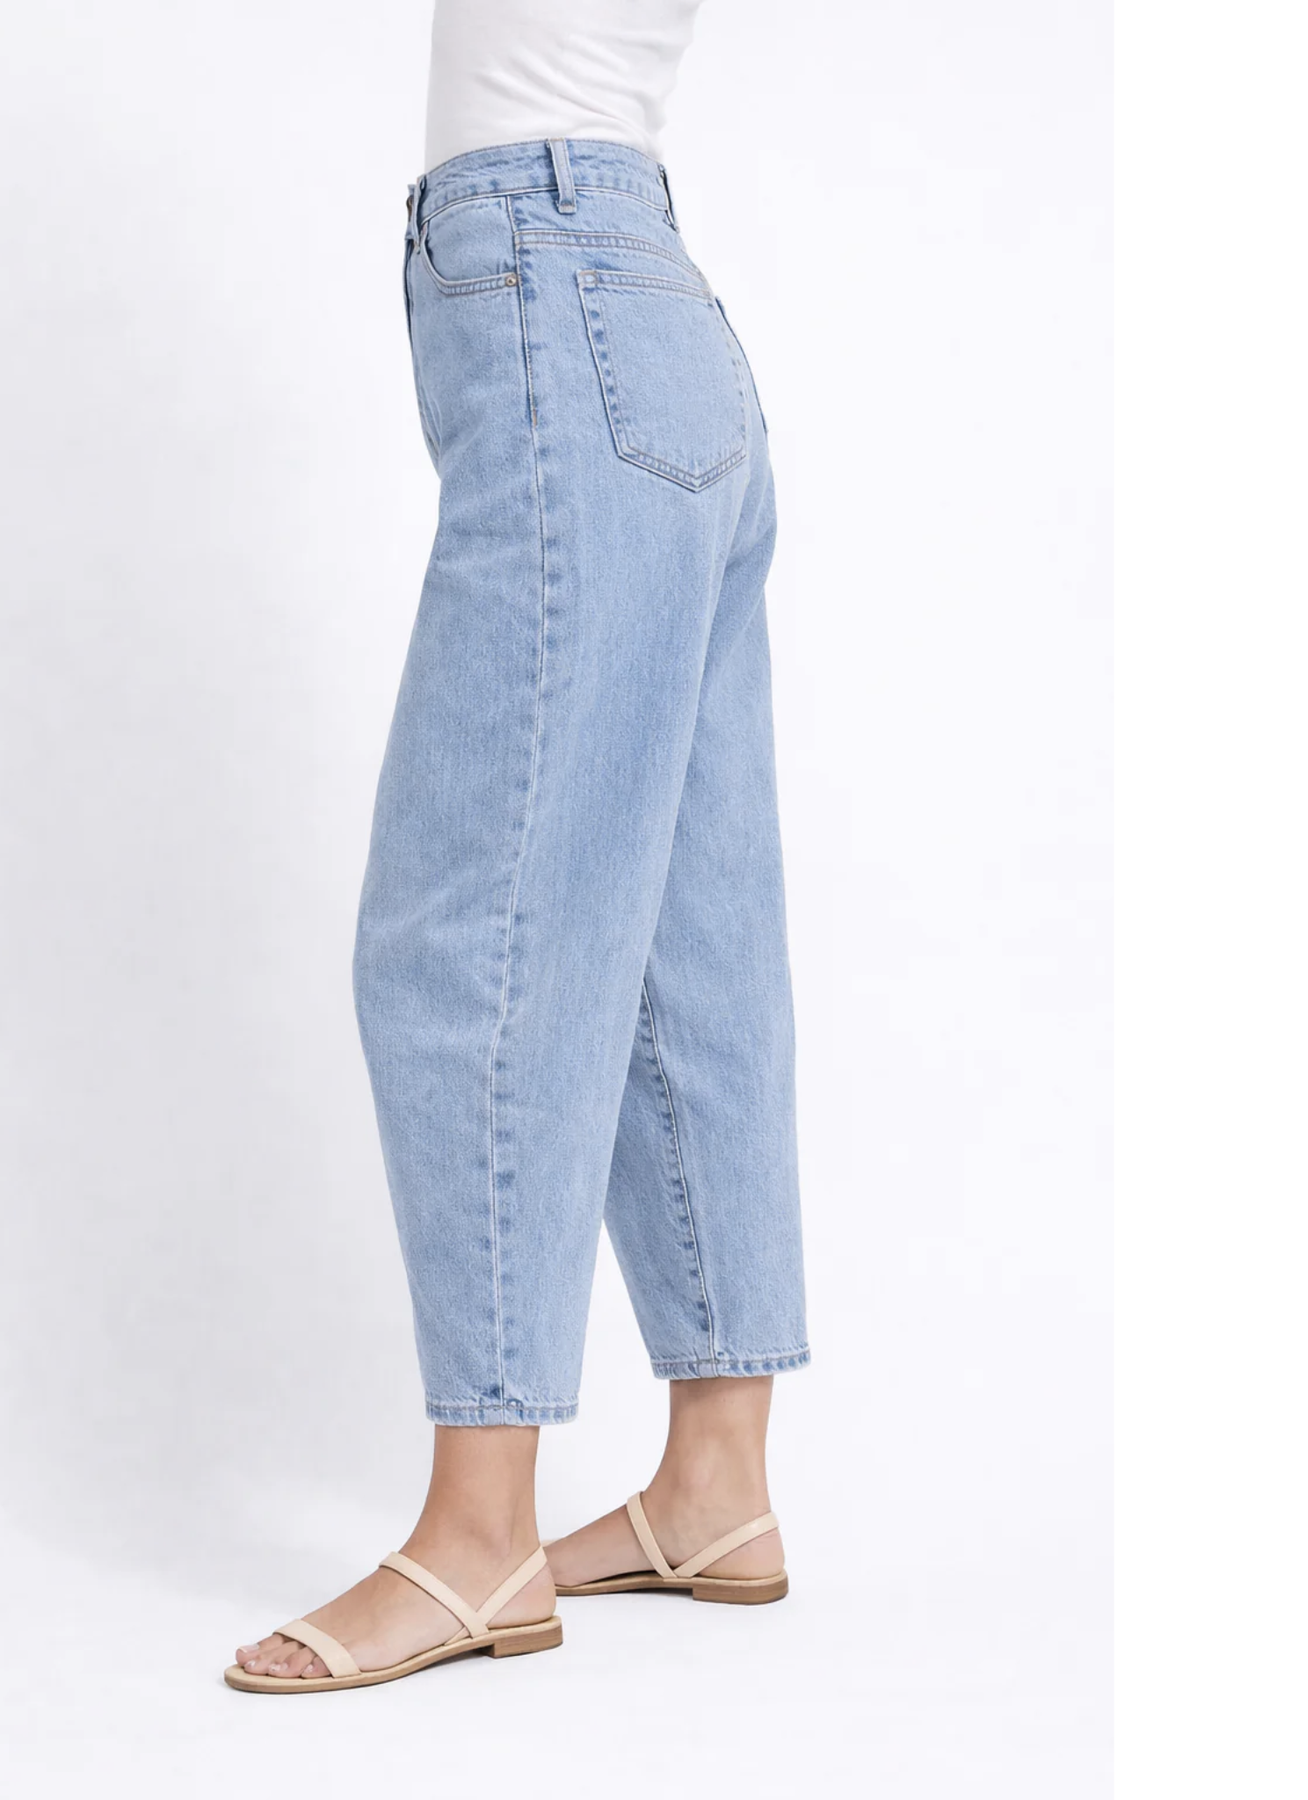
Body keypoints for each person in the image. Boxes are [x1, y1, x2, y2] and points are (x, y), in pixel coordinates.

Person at [228, 0, 807, 1693]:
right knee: (686, 941)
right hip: (650, 313)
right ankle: (715, 1485)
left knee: (469, 932)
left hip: (565, 294)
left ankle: (479, 1531)